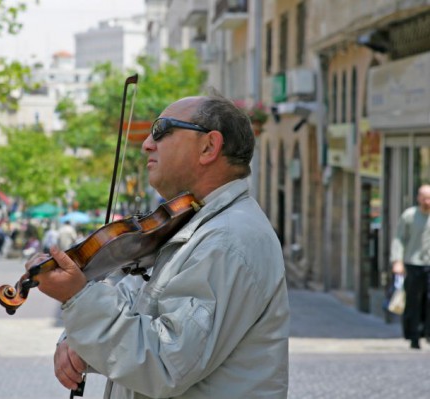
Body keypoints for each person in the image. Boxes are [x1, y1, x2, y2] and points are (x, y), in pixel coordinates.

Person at [28, 94, 290, 398]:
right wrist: (76, 339)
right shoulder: (194, 226)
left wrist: (77, 298)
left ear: (209, 146)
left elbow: (166, 364)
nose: (147, 144)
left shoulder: (228, 240)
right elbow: (134, 309)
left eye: (162, 130)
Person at [391, 184, 430, 349]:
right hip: (413, 263)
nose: (427, 200)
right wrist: (397, 261)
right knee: (413, 300)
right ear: (418, 198)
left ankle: (428, 333)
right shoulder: (409, 216)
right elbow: (399, 239)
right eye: (424, 197)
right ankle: (413, 336)